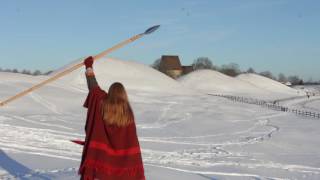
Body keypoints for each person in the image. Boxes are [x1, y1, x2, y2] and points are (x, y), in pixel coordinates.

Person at [78, 56, 145, 180]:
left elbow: (93, 86)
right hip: (121, 163)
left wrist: (88, 66)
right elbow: (131, 140)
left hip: (100, 157)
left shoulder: (101, 102)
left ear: (110, 92)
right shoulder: (127, 112)